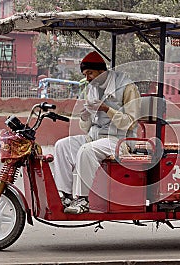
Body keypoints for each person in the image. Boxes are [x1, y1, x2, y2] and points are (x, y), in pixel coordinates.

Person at [53, 51, 140, 214]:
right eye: (85, 74)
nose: (88, 78)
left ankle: (83, 200)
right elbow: (85, 127)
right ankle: (65, 195)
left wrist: (106, 109)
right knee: (62, 146)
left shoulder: (127, 87)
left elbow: (130, 122)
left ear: (102, 71)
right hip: (94, 137)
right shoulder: (92, 88)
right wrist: (85, 116)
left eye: (90, 73)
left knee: (87, 151)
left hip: (119, 140)